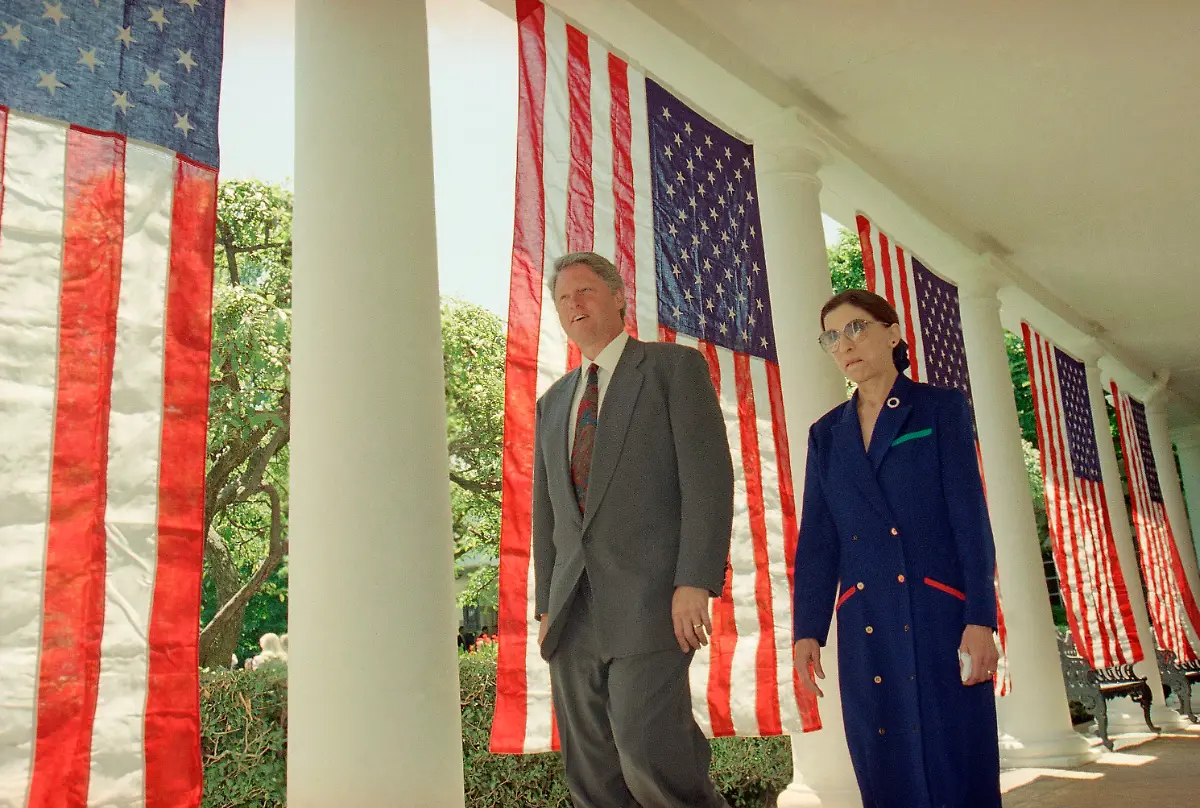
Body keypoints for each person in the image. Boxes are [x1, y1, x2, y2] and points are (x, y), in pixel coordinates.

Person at [532, 251, 734, 808]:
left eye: (585, 291)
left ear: (619, 297)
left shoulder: (673, 368)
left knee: (651, 755)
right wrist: (545, 605)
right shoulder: (553, 403)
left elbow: (707, 480)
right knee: (592, 773)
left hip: (652, 600)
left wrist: (695, 579)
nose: (574, 304)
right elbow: (547, 513)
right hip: (571, 613)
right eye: (563, 298)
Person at [792, 289, 1001, 808]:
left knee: (954, 755)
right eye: (832, 336)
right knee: (882, 762)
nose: (846, 344)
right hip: (867, 622)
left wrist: (981, 618)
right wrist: (808, 631)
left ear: (893, 331)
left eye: (858, 327)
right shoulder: (826, 435)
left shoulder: (940, 408)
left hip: (939, 615)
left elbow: (970, 520)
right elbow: (818, 541)